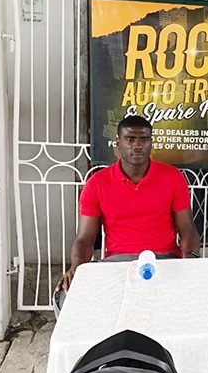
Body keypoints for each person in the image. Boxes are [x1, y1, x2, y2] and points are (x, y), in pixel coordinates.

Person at [55, 116, 200, 293]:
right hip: (117, 262)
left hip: (164, 260)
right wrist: (76, 268)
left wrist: (191, 260)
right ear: (118, 143)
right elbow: (85, 239)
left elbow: (187, 229)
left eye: (144, 139)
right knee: (66, 294)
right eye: (130, 139)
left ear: (151, 142)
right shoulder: (97, 183)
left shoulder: (172, 177)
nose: (137, 145)